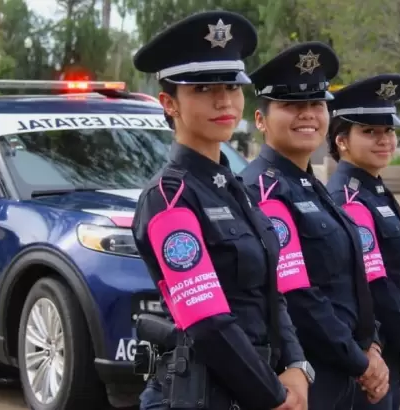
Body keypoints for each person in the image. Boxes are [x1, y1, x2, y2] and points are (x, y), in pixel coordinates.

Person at [131, 11, 309, 410]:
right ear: (169, 103)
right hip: (201, 395)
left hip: (256, 390)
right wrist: (274, 396)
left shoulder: (234, 187)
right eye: (203, 88)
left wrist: (297, 365)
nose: (223, 100)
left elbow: (271, 292)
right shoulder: (168, 198)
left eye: (232, 85)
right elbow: (207, 322)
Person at [239, 42, 390, 410]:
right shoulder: (263, 190)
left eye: (316, 103)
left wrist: (371, 344)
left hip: (346, 368)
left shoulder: (311, 184)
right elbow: (298, 296)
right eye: (291, 105)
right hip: (308, 374)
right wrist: (359, 360)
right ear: (260, 120)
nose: (307, 114)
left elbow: (352, 282)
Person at [326, 74, 400, 410]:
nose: (384, 139)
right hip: (376, 354)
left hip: (397, 348)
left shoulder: (375, 190)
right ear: (342, 141)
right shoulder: (348, 198)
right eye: (369, 131)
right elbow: (377, 285)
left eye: (388, 130)